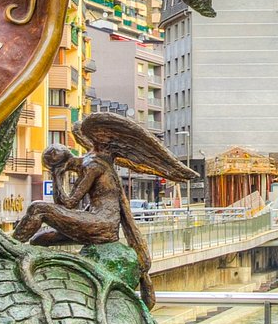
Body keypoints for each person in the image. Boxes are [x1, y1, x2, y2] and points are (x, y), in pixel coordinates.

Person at [14, 112, 197, 307]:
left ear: (64, 163)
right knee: (39, 239)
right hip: (97, 225)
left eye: (58, 168)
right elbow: (65, 205)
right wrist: (57, 175)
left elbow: (67, 204)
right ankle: (45, 277)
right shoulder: (92, 158)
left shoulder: (91, 165)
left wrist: (57, 177)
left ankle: (7, 248)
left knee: (38, 208)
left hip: (101, 225)